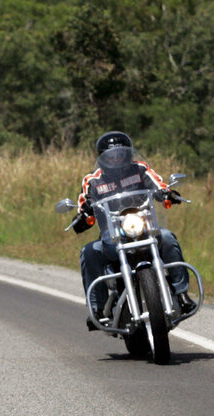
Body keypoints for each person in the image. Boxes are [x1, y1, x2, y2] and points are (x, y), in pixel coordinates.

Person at [72, 131, 196, 323]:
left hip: (145, 228)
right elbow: (84, 202)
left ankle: (181, 294)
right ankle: (97, 309)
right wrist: (85, 212)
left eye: (120, 154)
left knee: (168, 237)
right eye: (111, 155)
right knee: (89, 251)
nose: (116, 158)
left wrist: (166, 193)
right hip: (112, 235)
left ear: (128, 154)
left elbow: (158, 185)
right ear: (102, 157)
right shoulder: (93, 180)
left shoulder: (140, 169)